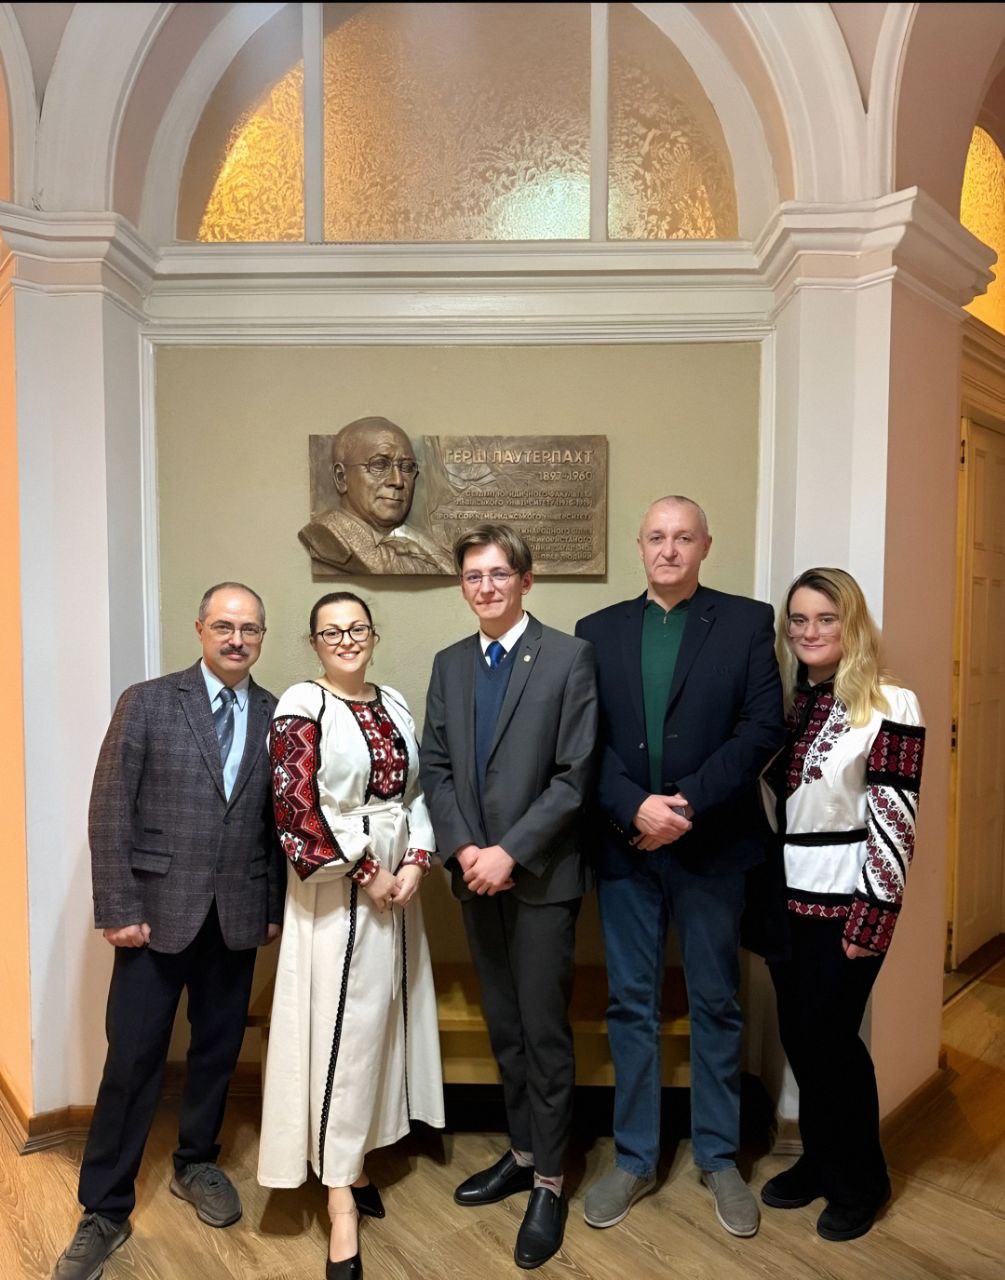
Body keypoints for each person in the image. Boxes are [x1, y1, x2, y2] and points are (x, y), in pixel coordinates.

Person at [52, 583, 284, 1280]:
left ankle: (196, 1163)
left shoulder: (278, 715)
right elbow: (109, 807)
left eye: (249, 628)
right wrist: (118, 906)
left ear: (262, 637)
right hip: (153, 916)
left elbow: (277, 825)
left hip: (237, 916)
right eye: (224, 626)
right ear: (200, 630)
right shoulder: (148, 702)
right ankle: (104, 1208)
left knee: (216, 1053)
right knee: (132, 1061)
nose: (236, 638)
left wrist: (271, 903)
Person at [575, 496, 785, 1239]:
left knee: (716, 1002)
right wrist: (636, 808)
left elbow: (762, 728)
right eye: (657, 537)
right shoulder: (596, 631)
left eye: (683, 537)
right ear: (640, 546)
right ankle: (634, 1156)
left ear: (704, 546)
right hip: (626, 848)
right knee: (631, 1004)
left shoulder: (746, 622)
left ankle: (719, 1156)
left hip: (711, 848)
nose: (669, 549)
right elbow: (584, 742)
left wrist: (685, 804)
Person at [420, 524, 598, 1270]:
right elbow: (435, 766)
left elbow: (574, 776)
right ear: (461, 586)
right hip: (473, 878)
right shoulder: (450, 663)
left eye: (498, 574)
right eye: (473, 576)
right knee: (503, 1026)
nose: (485, 587)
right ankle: (523, 1153)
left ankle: (550, 1180)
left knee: (543, 1032)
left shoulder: (567, 657)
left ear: (525, 580)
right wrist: (465, 850)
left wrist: (508, 853)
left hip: (540, 880)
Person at [258, 591, 444, 1280]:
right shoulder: (300, 705)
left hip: (398, 890)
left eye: (356, 627)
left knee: (382, 1025)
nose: (346, 639)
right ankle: (338, 1195)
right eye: (331, 631)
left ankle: (355, 1157)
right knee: (342, 1030)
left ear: (373, 634)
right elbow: (295, 811)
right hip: (338, 892)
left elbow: (414, 796)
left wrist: (416, 861)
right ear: (313, 642)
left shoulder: (392, 702)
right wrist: (369, 871)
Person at [759, 567, 925, 1242]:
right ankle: (821, 1160)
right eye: (798, 620)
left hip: (847, 899)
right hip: (784, 899)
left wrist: (874, 915)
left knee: (833, 1044)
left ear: (851, 624)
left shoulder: (890, 703)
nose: (809, 632)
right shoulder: (789, 705)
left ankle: (862, 1180)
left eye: (825, 619)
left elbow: (895, 818)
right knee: (800, 1037)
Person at [299, 416, 453, 575]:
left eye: (406, 467)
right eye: (379, 465)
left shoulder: (426, 547)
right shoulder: (328, 537)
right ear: (341, 477)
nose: (398, 481)